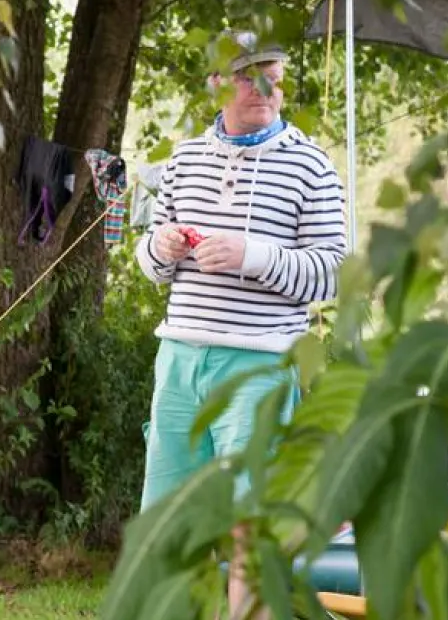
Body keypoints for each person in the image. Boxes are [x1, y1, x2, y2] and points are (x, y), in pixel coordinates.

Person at [134, 41, 347, 617]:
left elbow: (332, 274)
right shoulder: (182, 160)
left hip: (259, 365)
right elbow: (151, 267)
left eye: (274, 79)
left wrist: (252, 255)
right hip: (179, 358)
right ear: (217, 84)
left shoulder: (311, 164)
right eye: (251, 80)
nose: (266, 91)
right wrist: (159, 245)